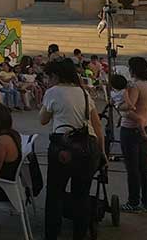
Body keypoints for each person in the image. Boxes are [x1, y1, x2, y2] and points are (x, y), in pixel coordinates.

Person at [41, 58, 105, 240]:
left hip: (63, 148)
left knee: (55, 194)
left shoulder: (53, 92)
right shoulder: (84, 93)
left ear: (55, 76)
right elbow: (98, 126)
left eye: (49, 77)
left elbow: (43, 119)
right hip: (87, 147)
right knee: (82, 195)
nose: (48, 81)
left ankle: (52, 234)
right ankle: (80, 234)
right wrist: (102, 152)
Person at [119, 57, 147, 214]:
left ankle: (133, 202)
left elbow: (129, 108)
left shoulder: (134, 86)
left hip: (131, 129)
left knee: (132, 168)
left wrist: (119, 107)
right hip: (146, 126)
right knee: (143, 167)